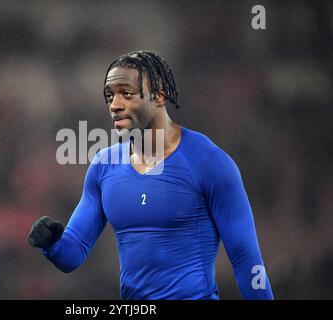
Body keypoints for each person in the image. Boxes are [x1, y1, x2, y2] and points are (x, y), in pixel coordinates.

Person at [28, 50, 274, 300]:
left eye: (126, 94)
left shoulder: (209, 162)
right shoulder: (104, 166)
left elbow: (246, 259)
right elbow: (72, 254)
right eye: (109, 96)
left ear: (159, 95)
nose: (114, 105)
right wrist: (52, 243)